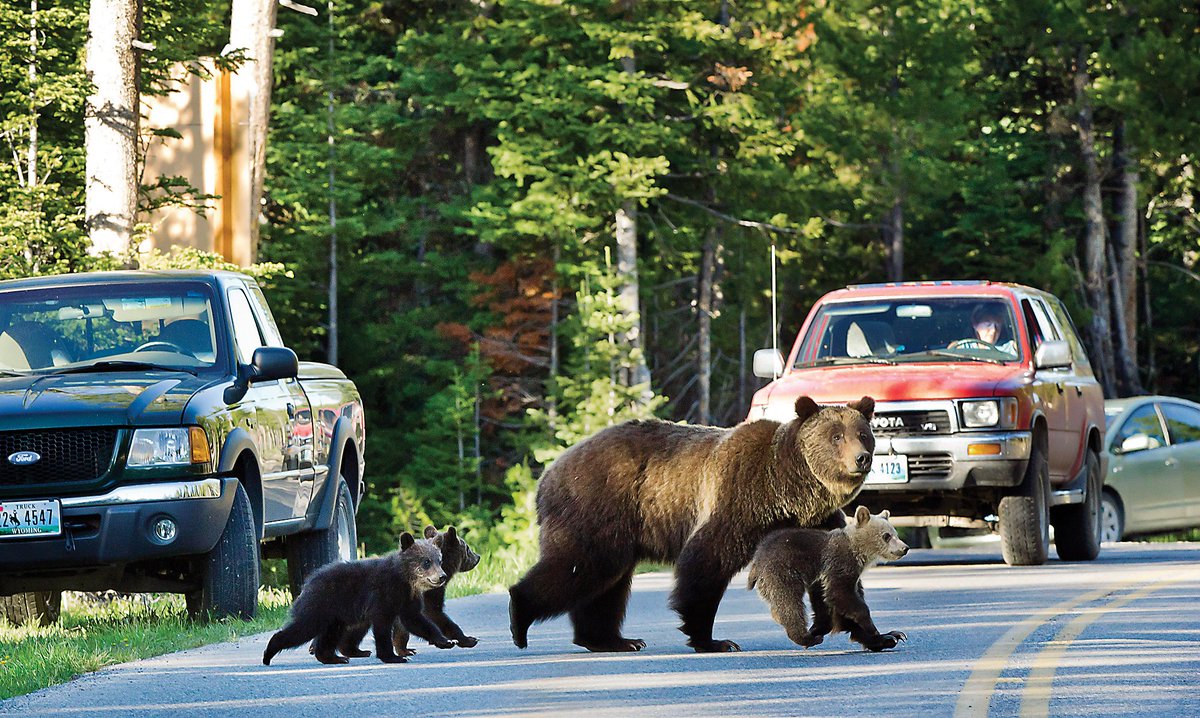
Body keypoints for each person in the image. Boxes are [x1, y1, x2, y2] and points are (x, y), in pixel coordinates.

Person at [951, 304, 1017, 357]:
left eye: (997, 326)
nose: (993, 330)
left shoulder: (1008, 348)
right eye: (988, 325)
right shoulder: (964, 347)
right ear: (975, 324)